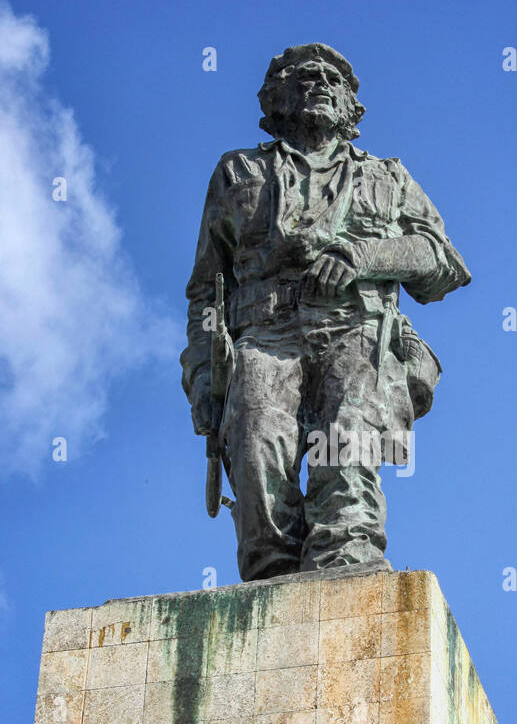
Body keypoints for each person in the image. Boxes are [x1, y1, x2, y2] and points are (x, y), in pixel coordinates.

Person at [181, 43, 470, 581]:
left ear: (350, 106)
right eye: (302, 76)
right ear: (275, 98)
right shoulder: (237, 173)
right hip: (263, 334)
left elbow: (441, 260)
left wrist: (363, 255)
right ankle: (269, 584)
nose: (318, 83)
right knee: (256, 448)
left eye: (331, 79)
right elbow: (205, 291)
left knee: (346, 446)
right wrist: (202, 376)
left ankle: (347, 569)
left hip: (356, 330)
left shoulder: (387, 178)